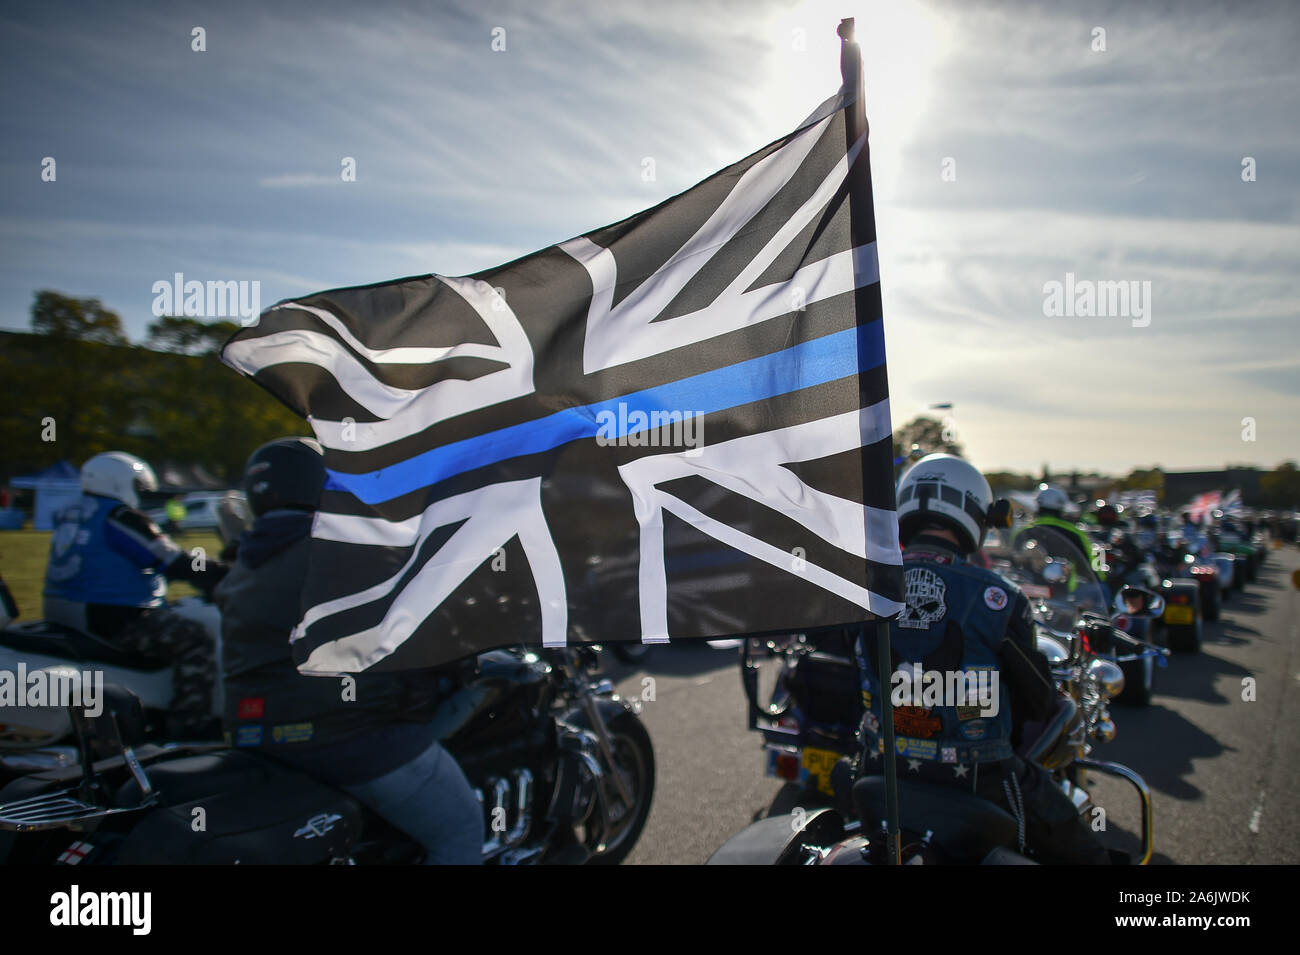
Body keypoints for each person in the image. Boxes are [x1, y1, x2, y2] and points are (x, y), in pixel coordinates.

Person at [215, 437, 484, 865]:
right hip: (347, 737)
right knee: (463, 832)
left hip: (254, 736)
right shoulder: (342, 549)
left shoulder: (245, 563)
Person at [854, 453, 1110, 864]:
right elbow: (1037, 703)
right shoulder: (999, 598)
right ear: (973, 512)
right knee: (1088, 856)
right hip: (980, 778)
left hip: (879, 769)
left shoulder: (866, 584)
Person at [42, 451, 227, 731]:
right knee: (196, 638)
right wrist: (221, 571)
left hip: (66, 609)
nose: (142, 493)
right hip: (112, 614)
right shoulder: (119, 516)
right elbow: (170, 560)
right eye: (139, 486)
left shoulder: (73, 512)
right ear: (119, 482)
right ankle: (190, 723)